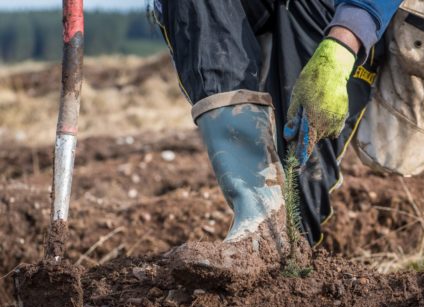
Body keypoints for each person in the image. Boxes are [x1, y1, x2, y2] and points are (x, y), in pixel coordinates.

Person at [153, 0, 403, 291]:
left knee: (302, 157)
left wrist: (343, 43)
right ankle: (258, 223)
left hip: (337, 10)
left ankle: (289, 284)